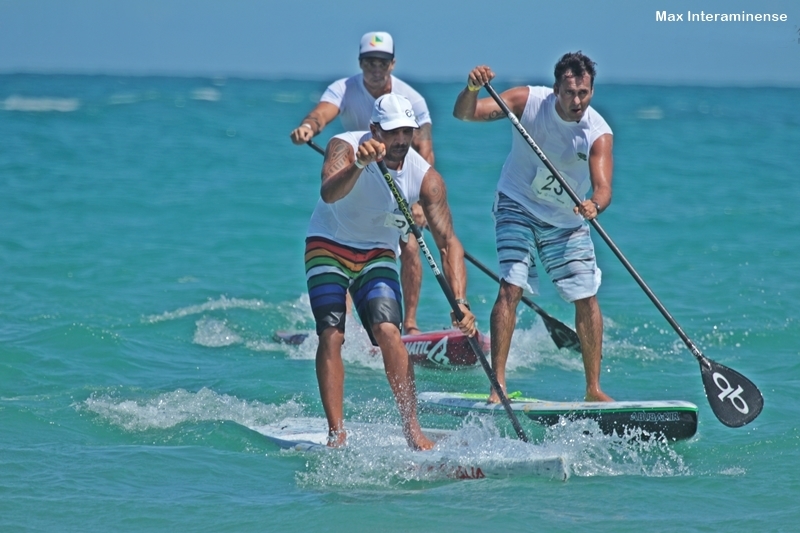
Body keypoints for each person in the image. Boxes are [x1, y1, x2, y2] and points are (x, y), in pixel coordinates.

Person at [305, 93, 476, 450]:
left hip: (377, 253)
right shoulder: (345, 147)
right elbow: (329, 194)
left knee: (389, 332)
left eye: (407, 133)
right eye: (392, 132)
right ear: (374, 130)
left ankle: (412, 430)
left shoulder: (426, 179)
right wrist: (357, 166)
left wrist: (460, 300)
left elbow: (448, 242)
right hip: (328, 244)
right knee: (332, 335)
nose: (400, 141)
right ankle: (336, 434)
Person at [452, 52, 614, 403]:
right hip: (517, 204)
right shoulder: (528, 102)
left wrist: (594, 205)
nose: (577, 101)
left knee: (586, 297)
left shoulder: (598, 133)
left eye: (584, 93)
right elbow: (465, 113)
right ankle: (498, 385)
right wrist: (471, 88)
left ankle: (593, 389)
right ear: (556, 89)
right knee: (511, 286)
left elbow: (603, 188)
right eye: (570, 92)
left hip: (567, 221)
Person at [291, 31, 432, 335]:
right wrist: (307, 127)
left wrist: (419, 202)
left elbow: (425, 150)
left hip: (395, 176)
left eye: (382, 62)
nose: (375, 68)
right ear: (360, 62)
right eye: (369, 61)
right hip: (353, 172)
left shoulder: (413, 100)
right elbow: (321, 115)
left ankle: (410, 326)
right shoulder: (343, 88)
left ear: (392, 63)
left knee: (409, 242)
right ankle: (350, 325)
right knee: (344, 240)